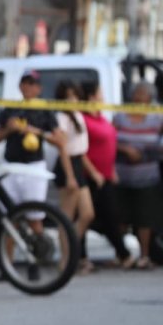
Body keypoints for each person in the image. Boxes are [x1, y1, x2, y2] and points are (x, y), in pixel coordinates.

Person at [0, 71, 66, 255]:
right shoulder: (11, 109)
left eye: (32, 84)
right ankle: (7, 264)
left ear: (39, 88)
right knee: (11, 219)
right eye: (25, 83)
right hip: (11, 167)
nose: (28, 87)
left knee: (34, 217)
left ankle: (42, 255)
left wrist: (35, 131)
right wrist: (10, 129)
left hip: (33, 168)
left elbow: (60, 140)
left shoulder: (44, 109)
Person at [80, 81, 132, 268]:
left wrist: (111, 170)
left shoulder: (101, 117)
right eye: (100, 92)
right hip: (90, 176)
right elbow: (80, 150)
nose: (102, 96)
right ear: (91, 96)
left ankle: (122, 254)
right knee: (88, 216)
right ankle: (82, 257)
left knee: (110, 216)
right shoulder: (82, 119)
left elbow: (108, 144)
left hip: (105, 175)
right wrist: (94, 172)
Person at [112, 82, 163, 271]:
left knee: (145, 217)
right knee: (120, 216)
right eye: (137, 95)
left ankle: (144, 255)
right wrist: (125, 149)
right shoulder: (120, 116)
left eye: (144, 96)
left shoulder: (157, 118)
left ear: (150, 99)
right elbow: (109, 139)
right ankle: (122, 254)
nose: (139, 99)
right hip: (122, 175)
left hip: (147, 176)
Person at [54, 80, 96, 275]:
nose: (73, 100)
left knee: (87, 214)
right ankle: (66, 260)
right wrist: (70, 176)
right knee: (67, 217)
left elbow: (81, 149)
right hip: (68, 166)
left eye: (75, 96)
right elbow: (63, 148)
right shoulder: (62, 117)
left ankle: (71, 250)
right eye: (69, 96)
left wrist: (93, 171)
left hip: (78, 164)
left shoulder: (78, 116)